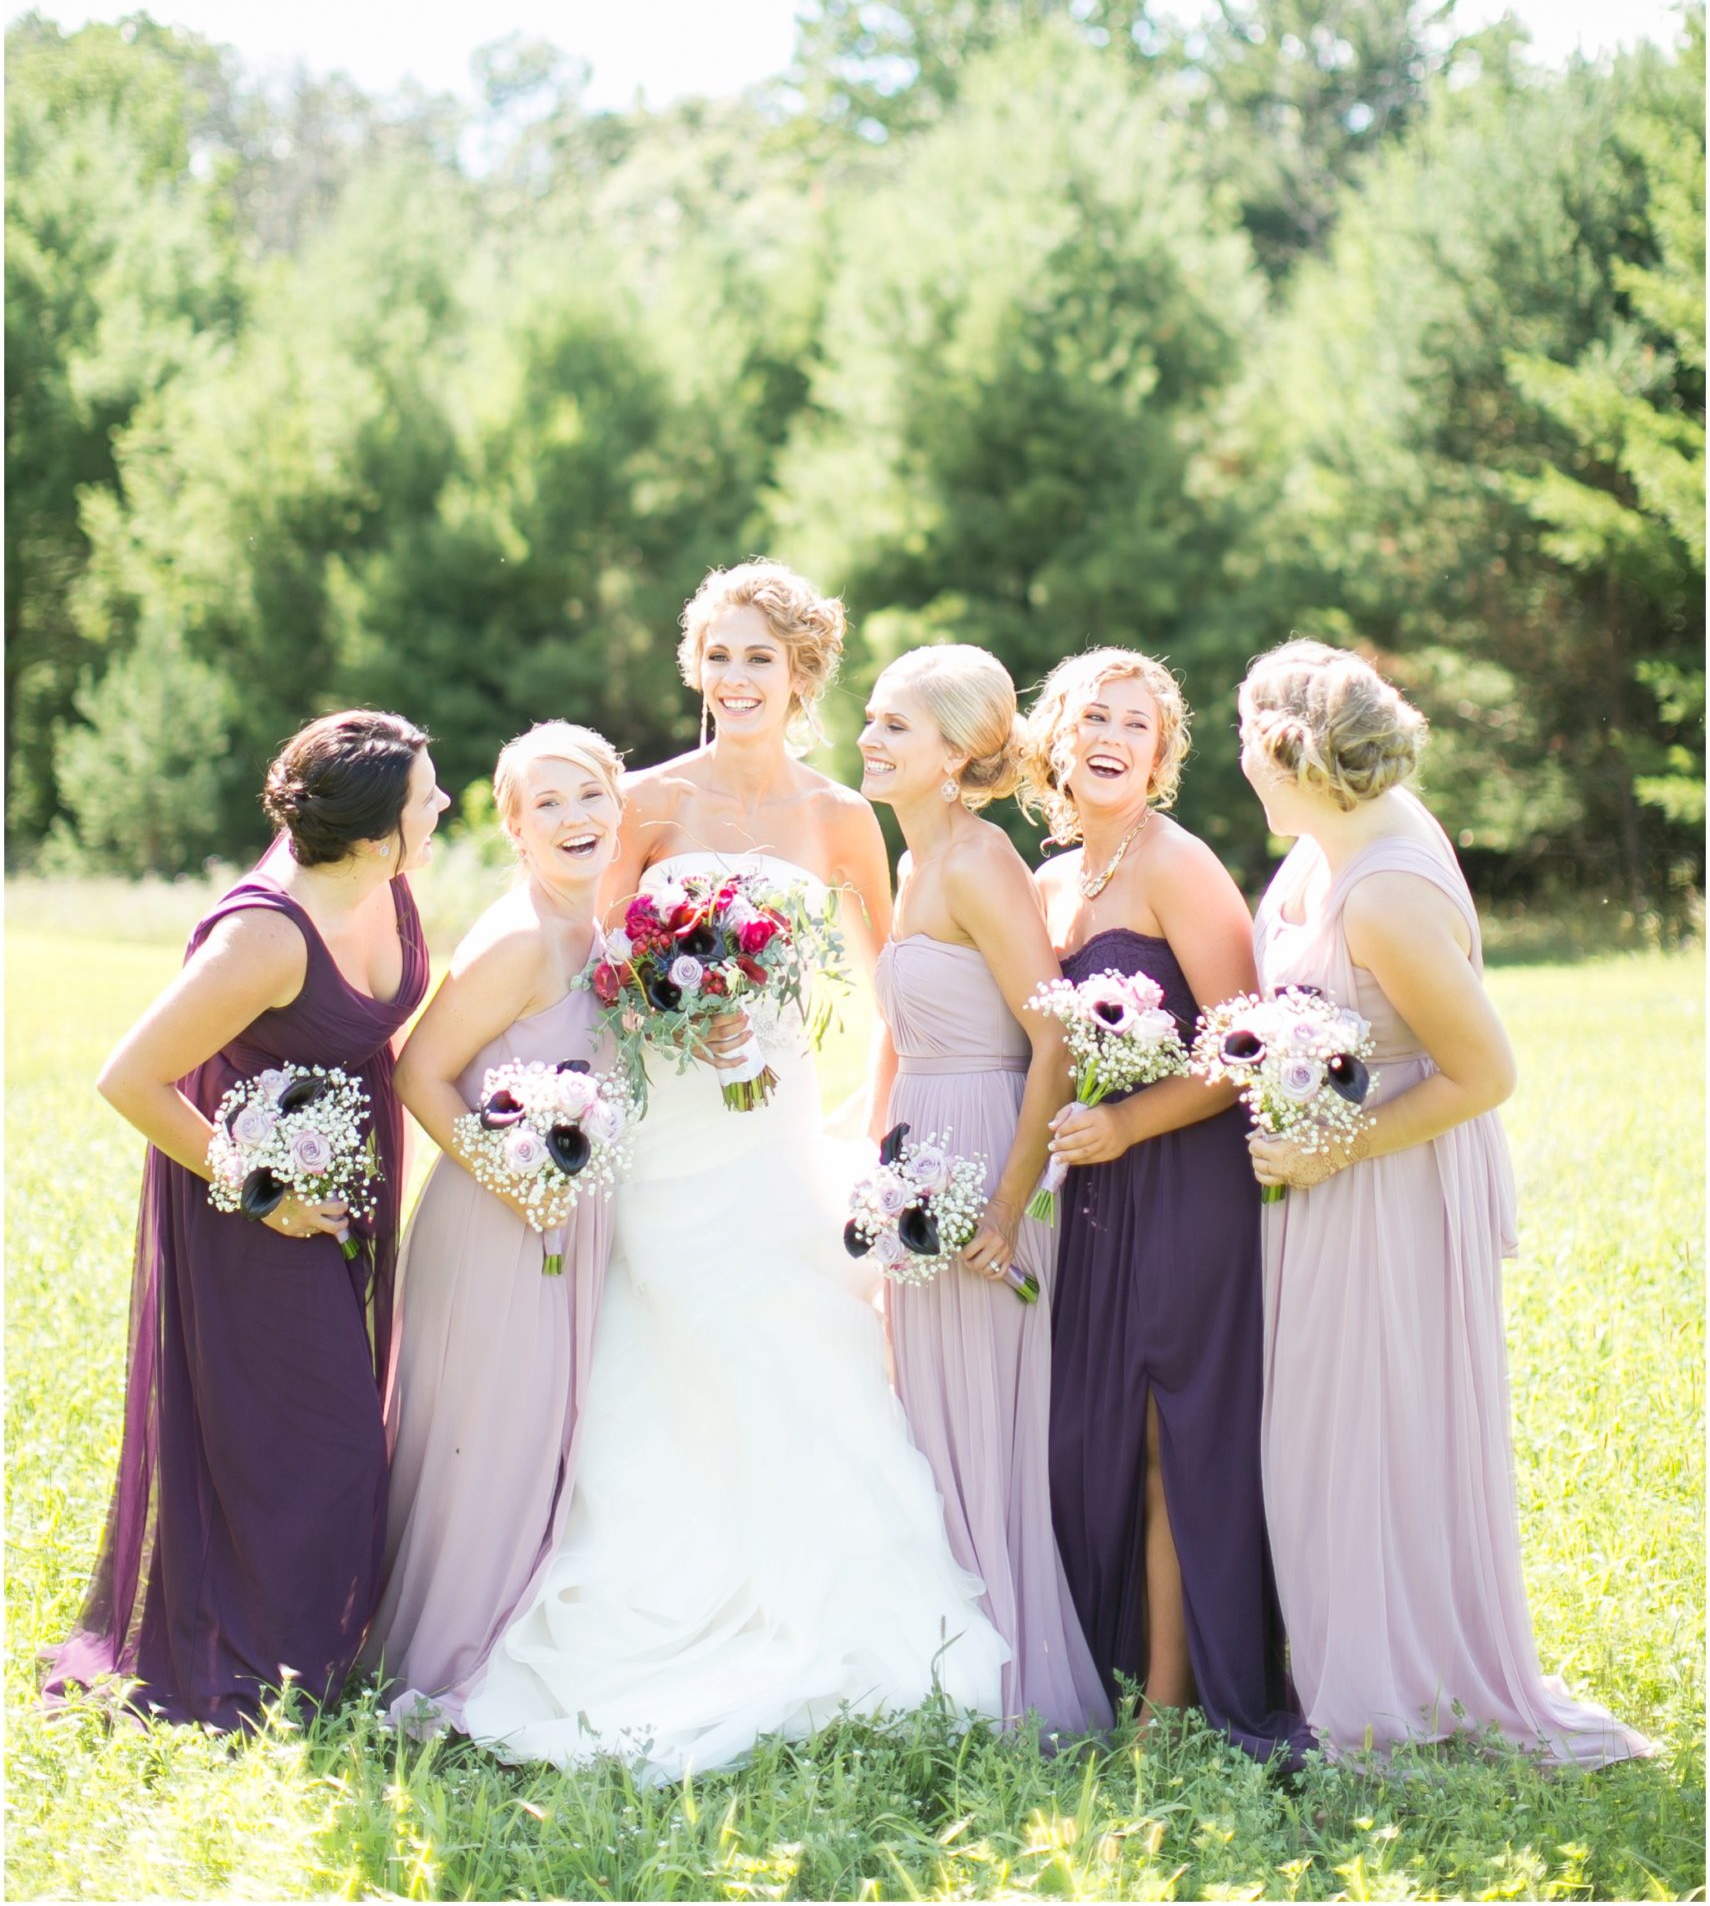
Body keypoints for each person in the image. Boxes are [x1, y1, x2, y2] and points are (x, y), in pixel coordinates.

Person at [458, 561, 1007, 1778]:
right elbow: (588, 966)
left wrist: (879, 1129)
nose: (735, 678)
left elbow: (894, 990)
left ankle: (827, 1601)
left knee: (798, 1340)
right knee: (669, 1349)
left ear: (802, 673)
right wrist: (665, 1006)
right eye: (717, 655)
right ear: (694, 667)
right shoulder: (642, 801)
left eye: (761, 657)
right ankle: (652, 1600)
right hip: (665, 1140)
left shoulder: (839, 817)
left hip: (777, 1129)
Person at [1243, 639, 1654, 1766]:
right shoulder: (1324, 844)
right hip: (1335, 1175)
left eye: (1245, 743)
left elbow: (1485, 1073)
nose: (1242, 766)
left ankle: (1393, 1691)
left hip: (1392, 1180)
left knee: (1373, 1430)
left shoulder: (1383, 889)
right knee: (1329, 1433)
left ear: (1286, 751)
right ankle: (1355, 1652)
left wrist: (1333, 1153)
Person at [41, 710, 442, 1730]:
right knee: (323, 1440)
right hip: (249, 1211)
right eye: (423, 797)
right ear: (370, 832)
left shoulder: (386, 885)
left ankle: (313, 1644)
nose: (440, 803)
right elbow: (129, 1077)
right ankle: (265, 1666)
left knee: (331, 1429)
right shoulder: (264, 936)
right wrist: (264, 1193)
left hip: (343, 1188)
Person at [1022, 648, 1306, 1759]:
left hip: (1187, 1181)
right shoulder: (1052, 880)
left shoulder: (1179, 866)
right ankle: (1110, 1667)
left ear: (1160, 754)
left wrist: (1130, 1123)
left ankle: (1174, 1705)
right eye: (1093, 714)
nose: (1111, 734)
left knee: (1169, 1437)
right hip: (1094, 1191)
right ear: (1057, 736)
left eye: (1136, 725)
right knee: (1094, 1432)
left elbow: (1245, 1046)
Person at [860, 643, 1111, 1739]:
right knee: (928, 1416)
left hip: (986, 1151)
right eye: (870, 719)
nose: (870, 740)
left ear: (957, 753)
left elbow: (1053, 1036)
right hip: (920, 1151)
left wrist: (1011, 1203)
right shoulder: (911, 861)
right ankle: (941, 1666)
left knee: (984, 1424)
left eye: (896, 728)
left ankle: (1015, 1690)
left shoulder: (976, 860)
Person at [364, 722, 627, 1727]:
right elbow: (418, 1072)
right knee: (486, 1442)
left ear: (618, 806)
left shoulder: (593, 931)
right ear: (513, 829)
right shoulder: (524, 936)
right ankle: (442, 1665)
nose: (572, 818)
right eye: (545, 804)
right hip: (495, 1222)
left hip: (560, 1221)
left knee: (533, 1445)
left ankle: (497, 1645)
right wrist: (513, 1182)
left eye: (589, 795)